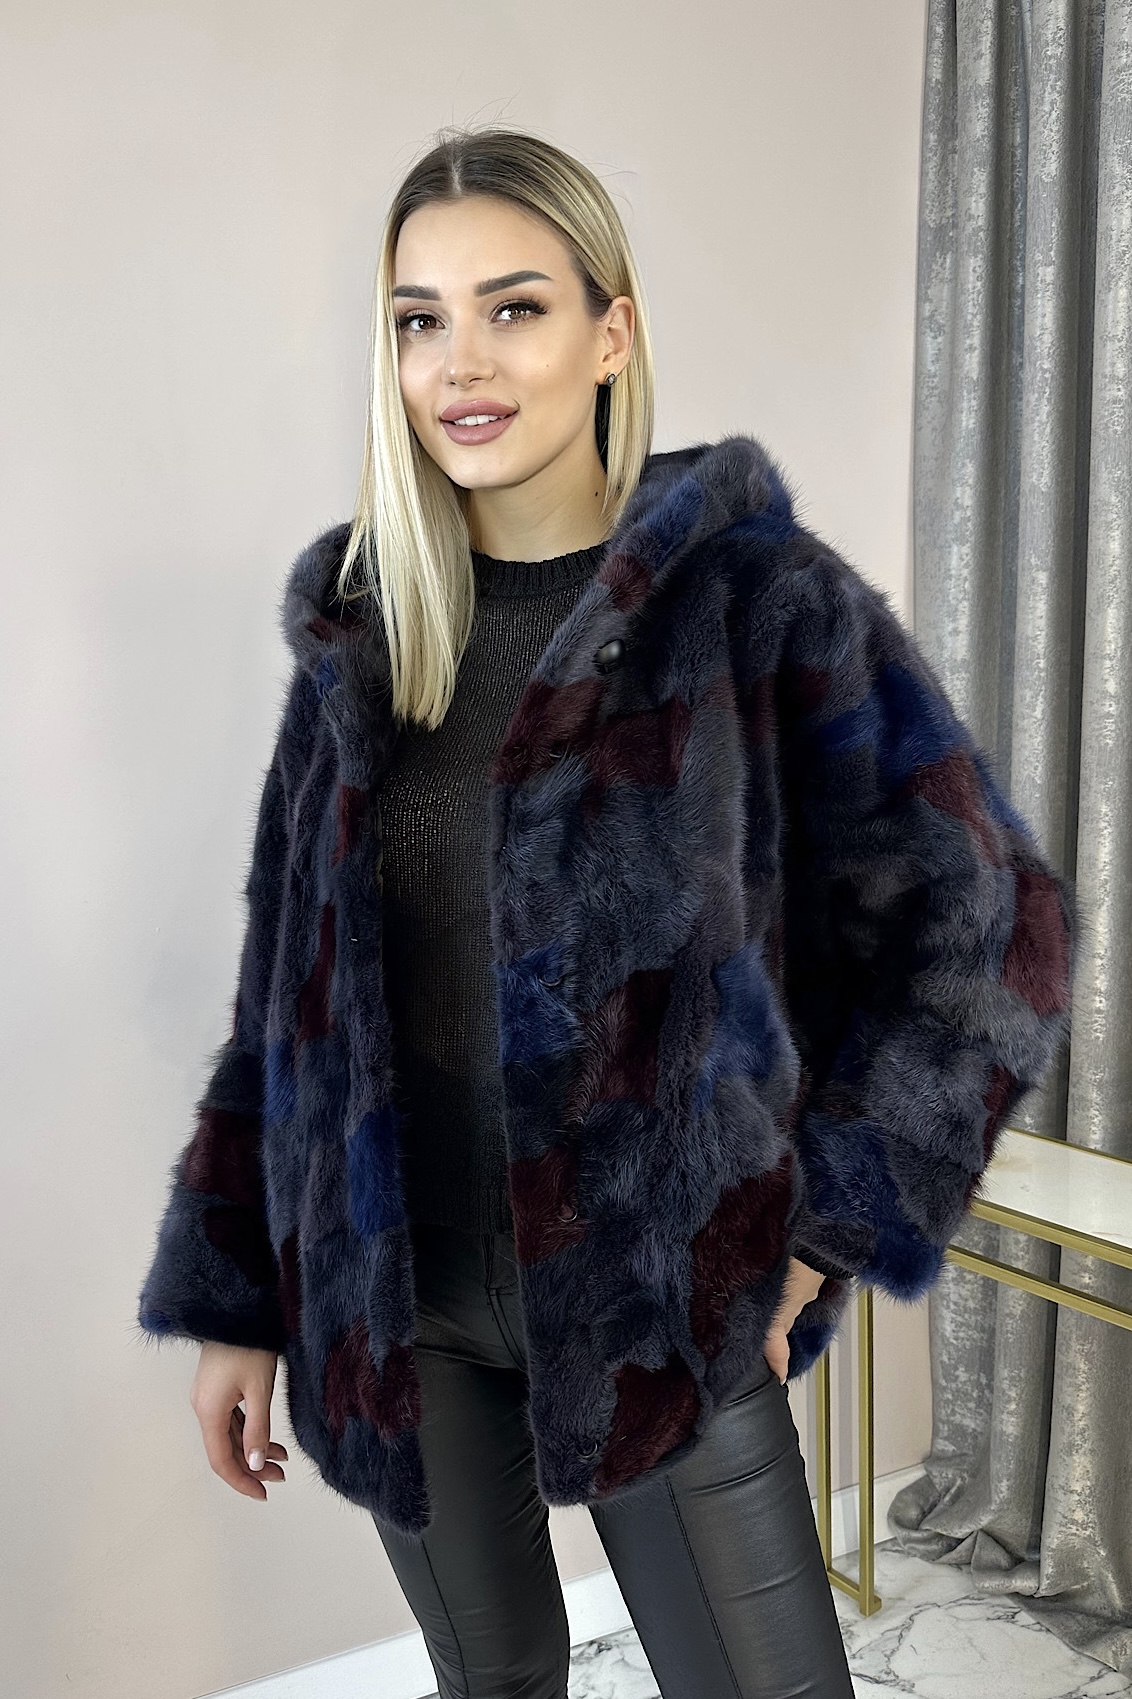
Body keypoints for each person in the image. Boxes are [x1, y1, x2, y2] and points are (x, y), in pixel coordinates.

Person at [137, 126, 1078, 1699]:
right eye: (420, 320)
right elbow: (287, 1003)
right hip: (399, 1295)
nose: (460, 362)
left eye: (513, 307)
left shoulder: (754, 604)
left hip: (659, 1293)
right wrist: (237, 1296)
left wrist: (820, 1232)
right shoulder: (370, 639)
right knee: (494, 1680)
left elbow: (991, 931)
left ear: (610, 332)